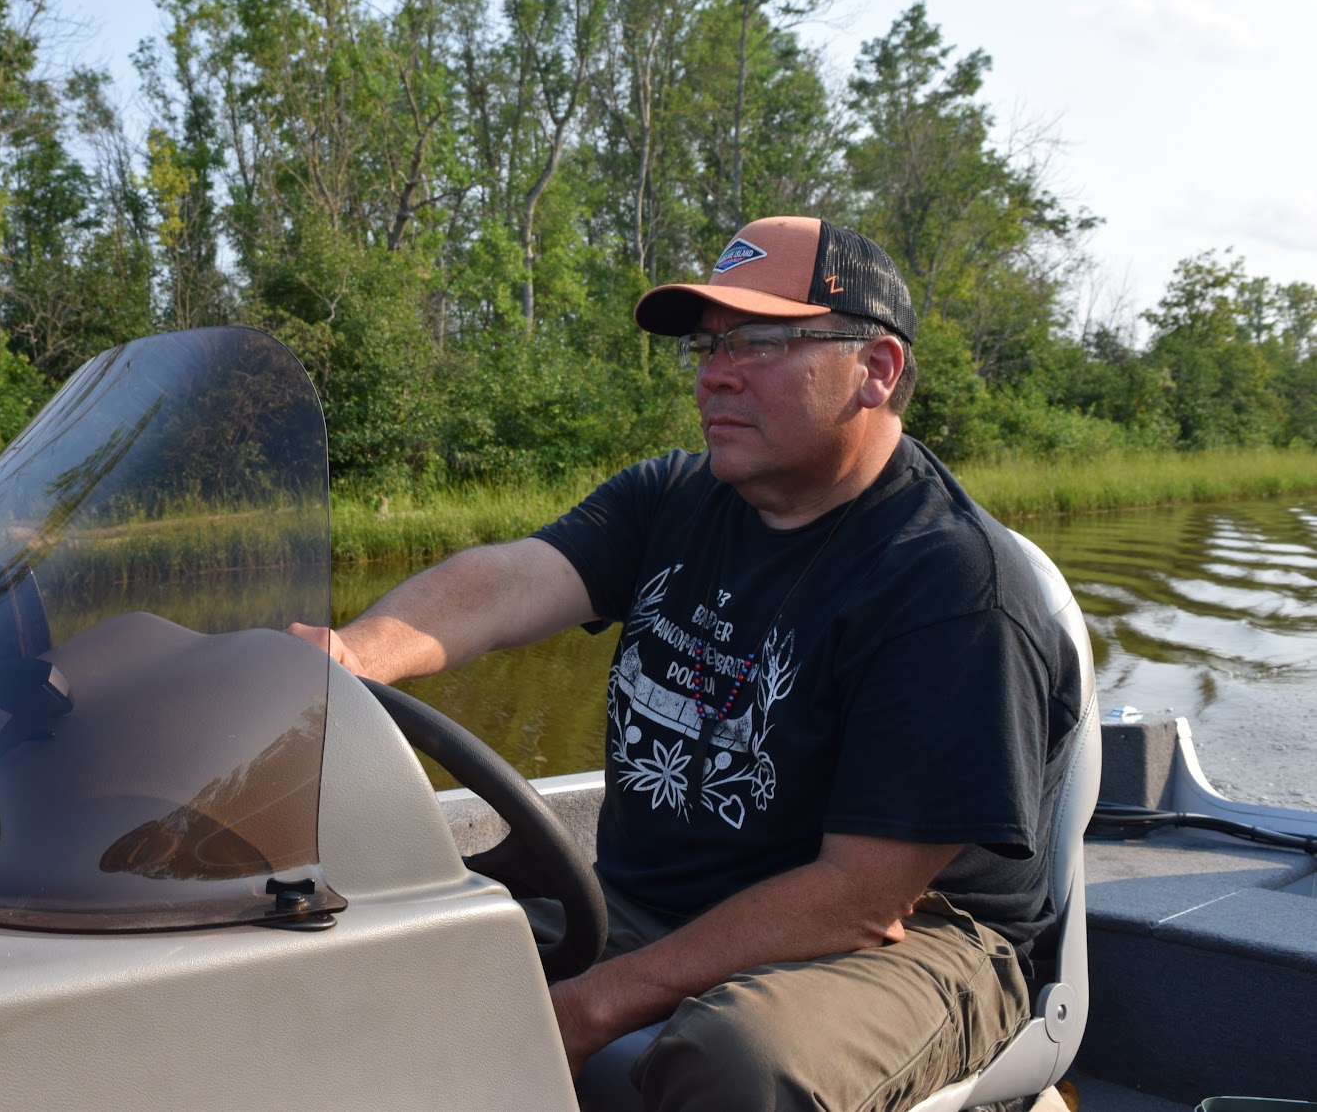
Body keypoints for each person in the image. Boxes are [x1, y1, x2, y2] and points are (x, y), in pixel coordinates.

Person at [289, 216, 1086, 1112]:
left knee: (739, 1061)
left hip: (917, 934)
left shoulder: (951, 585)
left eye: (761, 341)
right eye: (709, 346)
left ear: (877, 370)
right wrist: (353, 652)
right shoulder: (675, 495)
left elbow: (858, 900)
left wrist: (589, 1005)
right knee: (371, 936)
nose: (716, 373)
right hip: (660, 896)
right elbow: (509, 582)